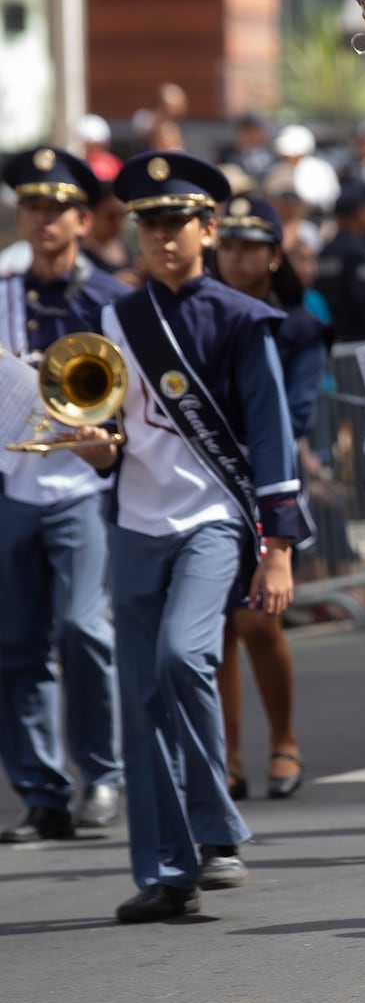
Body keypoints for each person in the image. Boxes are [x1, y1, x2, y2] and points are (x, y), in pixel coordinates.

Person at [72, 149, 305, 921]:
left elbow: (271, 440)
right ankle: (167, 871)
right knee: (140, 699)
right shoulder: (111, 317)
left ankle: (216, 831)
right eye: (149, 225)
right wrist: (98, 448)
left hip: (212, 521)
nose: (163, 238)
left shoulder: (244, 319)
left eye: (177, 223)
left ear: (208, 228)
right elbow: (111, 430)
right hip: (135, 524)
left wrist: (278, 548)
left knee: (183, 656)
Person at [0, 147, 127, 844]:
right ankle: (41, 791)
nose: (43, 220)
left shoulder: (109, 299)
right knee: (16, 644)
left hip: (84, 483)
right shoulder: (3, 294)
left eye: (56, 209)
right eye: (32, 207)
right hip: (13, 483)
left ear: (83, 219)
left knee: (83, 627)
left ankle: (102, 774)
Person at [213, 195, 329, 801]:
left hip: (269, 484)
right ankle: (227, 756)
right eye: (227, 245)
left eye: (250, 247)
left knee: (259, 621)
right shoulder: (197, 317)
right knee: (219, 627)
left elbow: (301, 412)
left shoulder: (301, 328)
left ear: (273, 254)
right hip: (207, 486)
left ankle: (284, 737)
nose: (236, 258)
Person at [316, 182, 365, 342]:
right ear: (357, 214)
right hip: (362, 339)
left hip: (332, 338)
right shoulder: (358, 252)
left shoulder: (324, 251)